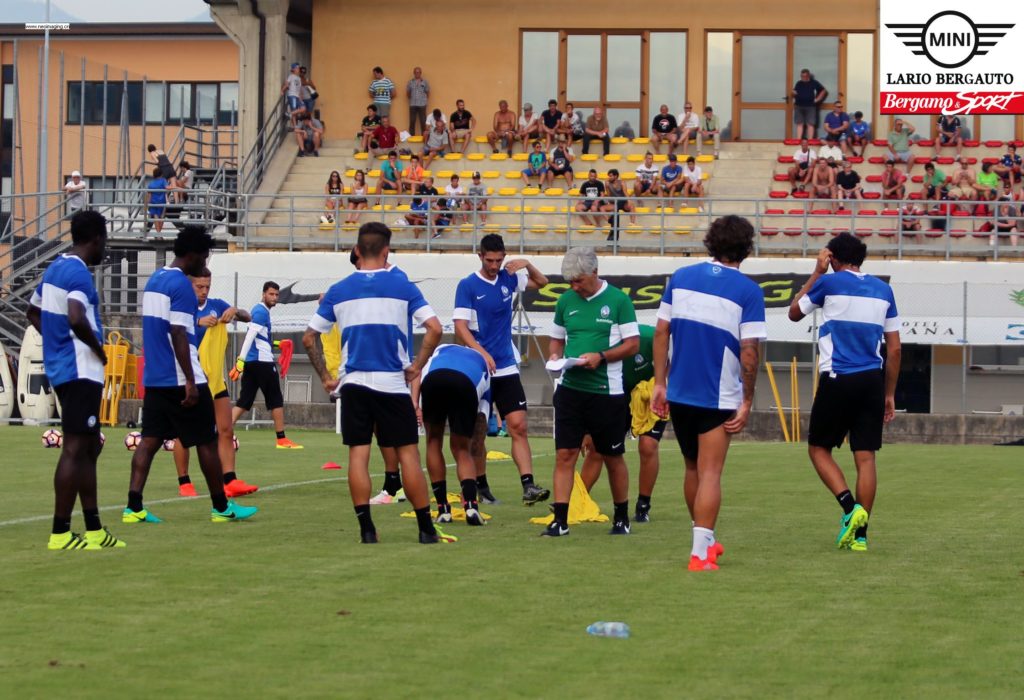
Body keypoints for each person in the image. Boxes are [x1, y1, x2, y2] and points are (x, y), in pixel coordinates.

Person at [302, 222, 452, 544]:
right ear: (387, 251)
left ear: (357, 250)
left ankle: (367, 530)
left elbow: (309, 337)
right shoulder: (402, 285)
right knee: (408, 455)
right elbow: (435, 328)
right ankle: (426, 529)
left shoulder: (339, 289)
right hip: (392, 383)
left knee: (358, 454)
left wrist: (326, 377)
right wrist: (417, 366)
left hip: (354, 383)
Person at [652, 215, 766, 571]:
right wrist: (747, 401)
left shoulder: (681, 277)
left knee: (692, 468)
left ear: (710, 241)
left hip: (679, 392)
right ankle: (699, 554)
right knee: (711, 472)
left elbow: (661, 332)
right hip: (717, 396)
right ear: (746, 249)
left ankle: (706, 542)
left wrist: (659, 383)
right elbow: (749, 351)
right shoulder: (749, 291)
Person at [124, 226, 259, 525]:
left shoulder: (155, 280)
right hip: (180, 377)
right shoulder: (182, 287)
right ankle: (221, 507)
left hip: (155, 377)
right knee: (207, 441)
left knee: (149, 441)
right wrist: (189, 379)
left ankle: (133, 507)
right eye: (204, 256)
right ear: (193, 254)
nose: (205, 262)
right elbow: (178, 333)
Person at [788, 234, 901, 553]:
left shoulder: (828, 282)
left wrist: (817, 272)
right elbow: (895, 349)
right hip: (872, 381)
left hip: (838, 377)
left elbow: (794, 312)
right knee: (865, 457)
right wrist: (889, 393)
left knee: (818, 449)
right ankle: (860, 537)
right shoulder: (884, 289)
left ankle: (850, 509)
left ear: (833, 258)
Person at [26, 210, 125, 550]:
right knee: (74, 449)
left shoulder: (55, 268)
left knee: (89, 447)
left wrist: (55, 344)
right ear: (96, 239)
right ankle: (60, 533)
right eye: (105, 240)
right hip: (81, 369)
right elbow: (76, 316)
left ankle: (94, 530)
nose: (105, 247)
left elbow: (32, 312)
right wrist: (98, 350)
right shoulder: (79, 273)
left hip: (64, 367)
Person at [545, 247, 640, 537]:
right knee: (565, 454)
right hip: (570, 390)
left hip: (606, 393)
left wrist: (601, 356)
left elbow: (632, 344)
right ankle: (561, 520)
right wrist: (554, 357)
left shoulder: (619, 301)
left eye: (579, 281)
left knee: (612, 456)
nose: (574, 286)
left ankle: (621, 518)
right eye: (570, 282)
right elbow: (556, 340)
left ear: (595, 272)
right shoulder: (565, 301)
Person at [453, 234, 551, 505]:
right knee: (478, 432)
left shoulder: (509, 278)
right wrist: (482, 353)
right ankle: (481, 487)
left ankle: (528, 485)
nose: (494, 266)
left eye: (499, 260)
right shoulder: (468, 285)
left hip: (506, 365)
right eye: (489, 260)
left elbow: (542, 282)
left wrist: (527, 263)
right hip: (478, 368)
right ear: (480, 256)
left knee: (518, 425)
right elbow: (460, 326)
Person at [172, 269, 259, 499]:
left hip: (215, 378)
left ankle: (230, 480)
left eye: (207, 287)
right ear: (189, 285)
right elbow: (171, 330)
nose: (204, 291)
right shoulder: (182, 308)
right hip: (190, 378)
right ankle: (184, 482)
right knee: (184, 433)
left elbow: (248, 317)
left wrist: (234, 311)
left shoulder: (216, 305)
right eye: (199, 287)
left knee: (226, 428)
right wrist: (198, 322)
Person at [578, 324, 664, 523]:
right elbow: (589, 385)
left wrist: (661, 384)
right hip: (617, 395)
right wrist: (586, 429)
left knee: (648, 445)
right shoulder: (597, 345)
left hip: (650, 394)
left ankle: (643, 505)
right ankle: (578, 499)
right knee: (596, 447)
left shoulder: (649, 337)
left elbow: (672, 360)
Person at [413, 344, 491, 527]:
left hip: (434, 380)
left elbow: (418, 372)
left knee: (433, 442)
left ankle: (443, 509)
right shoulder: (484, 364)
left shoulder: (439, 351)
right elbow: (481, 424)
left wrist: (415, 403)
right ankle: (471, 506)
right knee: (462, 449)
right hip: (465, 384)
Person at [230, 281, 303, 449]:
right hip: (262, 363)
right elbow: (249, 337)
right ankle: (281, 439)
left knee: (244, 401)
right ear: (263, 294)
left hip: (253, 363)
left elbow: (260, 338)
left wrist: (278, 344)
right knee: (276, 400)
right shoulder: (261, 312)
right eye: (271, 294)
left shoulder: (259, 311)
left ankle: (222, 431)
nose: (274, 297)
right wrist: (240, 361)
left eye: (276, 294)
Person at [601, 168, 636, 240]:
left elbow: (625, 193)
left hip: (623, 202)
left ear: (616, 176)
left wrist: (629, 201)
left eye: (611, 176)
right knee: (602, 208)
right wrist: (609, 203)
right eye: (609, 176)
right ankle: (610, 221)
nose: (609, 177)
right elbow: (608, 194)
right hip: (615, 203)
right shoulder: (607, 183)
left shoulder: (622, 182)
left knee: (632, 205)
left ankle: (632, 223)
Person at [791, 68, 826, 139]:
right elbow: (794, 92)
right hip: (798, 106)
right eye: (802, 76)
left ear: (808, 76)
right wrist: (793, 93)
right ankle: (798, 140)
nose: (803, 78)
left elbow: (823, 91)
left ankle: (810, 141)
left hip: (810, 106)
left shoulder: (814, 83)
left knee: (810, 124)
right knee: (799, 123)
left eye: (804, 76)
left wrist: (817, 99)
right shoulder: (799, 83)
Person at [146, 167, 171, 234]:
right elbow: (167, 187)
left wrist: (147, 205)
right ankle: (159, 234)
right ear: (161, 174)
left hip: (153, 203)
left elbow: (149, 196)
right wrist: (175, 187)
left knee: (156, 217)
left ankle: (158, 234)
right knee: (162, 217)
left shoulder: (151, 184)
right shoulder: (163, 180)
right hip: (162, 202)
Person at [406, 66, 429, 135]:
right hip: (413, 104)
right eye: (416, 72)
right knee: (412, 121)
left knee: (423, 121)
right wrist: (411, 98)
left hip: (422, 105)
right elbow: (408, 92)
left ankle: (424, 137)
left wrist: (424, 100)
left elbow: (427, 92)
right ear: (414, 73)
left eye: (418, 72)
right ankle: (411, 136)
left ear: (420, 73)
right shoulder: (410, 82)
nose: (417, 74)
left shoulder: (425, 82)